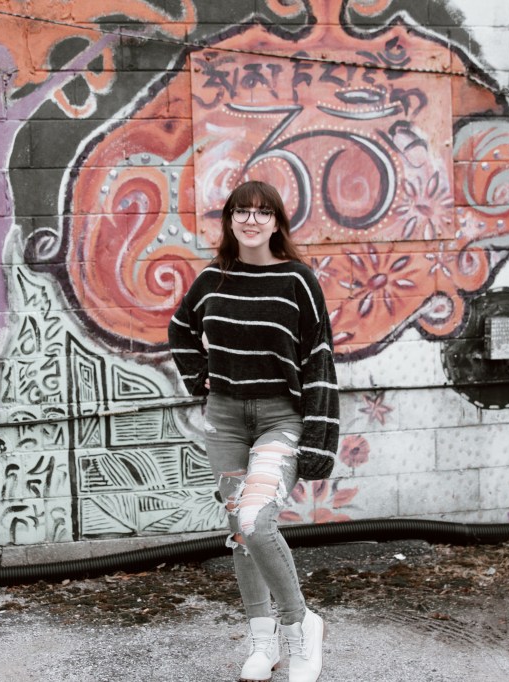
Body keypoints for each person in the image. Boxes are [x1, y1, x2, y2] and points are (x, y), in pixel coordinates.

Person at [168, 180, 340, 682]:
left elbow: (319, 359)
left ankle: (300, 625)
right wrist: (198, 378)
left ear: (277, 222)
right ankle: (262, 643)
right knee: (240, 531)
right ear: (229, 220)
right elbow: (181, 328)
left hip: (279, 418)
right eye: (241, 211)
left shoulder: (297, 280)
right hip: (224, 420)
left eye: (263, 212)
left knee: (256, 519)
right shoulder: (212, 278)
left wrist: (319, 437)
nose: (251, 220)